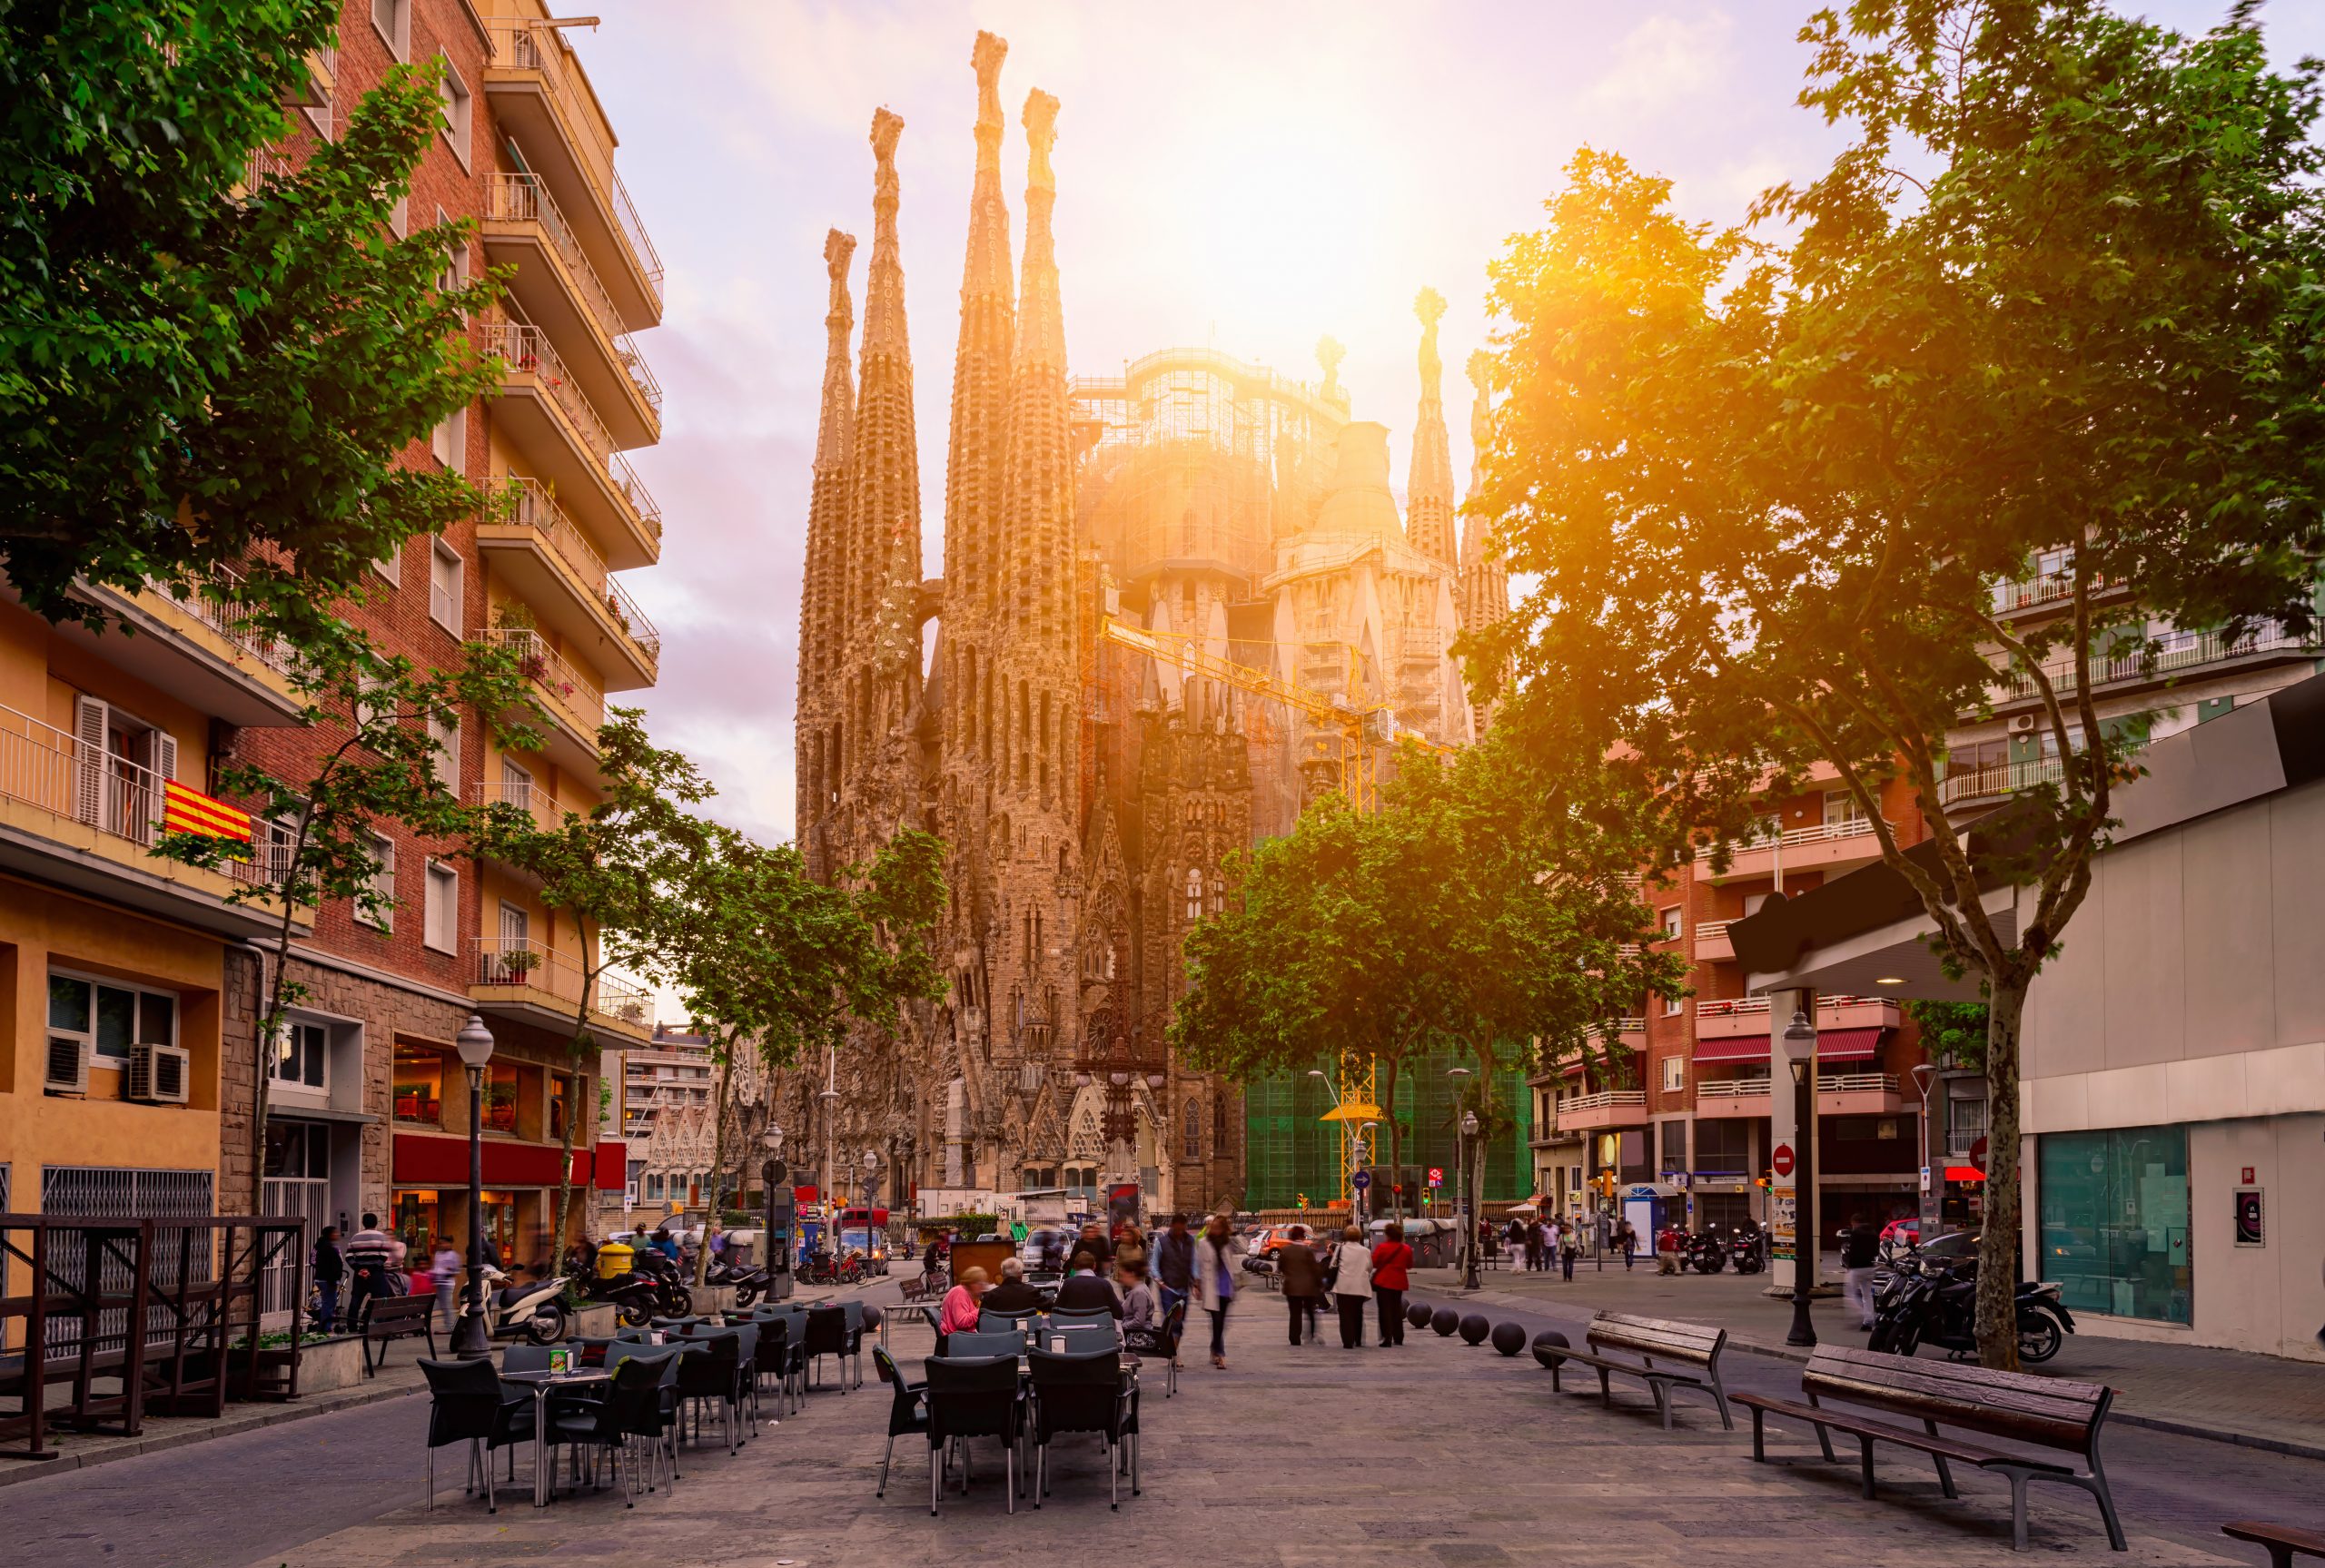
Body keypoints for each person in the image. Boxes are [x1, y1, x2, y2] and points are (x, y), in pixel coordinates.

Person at [1185, 1213, 1243, 1369]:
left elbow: (1244, 1247)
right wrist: (1196, 1284)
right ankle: (1221, 1355)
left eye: (1219, 1228)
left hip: (1226, 1287)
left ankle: (1214, 1348)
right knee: (1216, 1322)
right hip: (1211, 1288)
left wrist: (1233, 1233)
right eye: (1214, 1227)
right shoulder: (1204, 1242)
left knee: (1221, 1324)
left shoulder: (1228, 1242)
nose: (1216, 1230)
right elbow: (1197, 1264)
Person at [343, 1212, 394, 1330]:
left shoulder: (355, 1237)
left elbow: (349, 1257)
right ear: (376, 1223)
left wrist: (360, 1269)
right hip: (376, 1274)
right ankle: (379, 1326)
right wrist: (371, 1270)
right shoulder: (382, 1237)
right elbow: (383, 1257)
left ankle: (352, 1326)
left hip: (359, 1275)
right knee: (380, 1299)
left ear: (363, 1223)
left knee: (356, 1299)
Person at [1275, 1223, 1323, 1346]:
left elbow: (1280, 1267)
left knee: (1295, 1313)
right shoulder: (1307, 1251)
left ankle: (1294, 1338)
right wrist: (1319, 1283)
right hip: (1308, 1287)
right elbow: (1314, 1269)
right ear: (1303, 1236)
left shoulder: (1285, 1250)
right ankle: (1312, 1334)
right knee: (1310, 1311)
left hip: (1291, 1286)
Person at [1370, 1221, 1413, 1347]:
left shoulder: (1382, 1247)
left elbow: (1375, 1263)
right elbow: (1409, 1265)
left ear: (1388, 1235)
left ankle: (1387, 1338)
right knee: (1396, 1309)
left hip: (1383, 1282)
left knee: (1384, 1311)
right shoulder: (1406, 1248)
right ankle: (1399, 1337)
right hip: (1399, 1283)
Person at [1329, 1225, 1373, 1349]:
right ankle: (1358, 1339)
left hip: (1343, 1286)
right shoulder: (1366, 1251)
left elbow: (1332, 1265)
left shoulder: (1340, 1249)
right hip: (1360, 1287)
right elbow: (1369, 1267)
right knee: (1358, 1312)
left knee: (1345, 1315)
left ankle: (1347, 1341)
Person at [1053, 1250, 1124, 1317]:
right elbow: (1118, 1312)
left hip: (1073, 1327)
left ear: (1075, 1266)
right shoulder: (1104, 1284)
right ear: (1094, 1266)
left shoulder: (1068, 1283)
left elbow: (1056, 1310)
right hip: (1101, 1327)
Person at [1843, 1211, 1882, 1330]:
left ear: (1855, 1222)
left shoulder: (1856, 1233)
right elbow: (1876, 1251)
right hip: (1869, 1267)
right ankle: (1869, 1320)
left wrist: (1849, 1265)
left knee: (1850, 1293)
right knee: (1867, 1295)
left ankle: (1862, 1314)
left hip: (1856, 1268)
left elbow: (1852, 1251)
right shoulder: (1874, 1233)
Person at [1153, 1213, 1196, 1317]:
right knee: (1170, 1320)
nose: (1180, 1233)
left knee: (1180, 1322)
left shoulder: (1190, 1241)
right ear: (1172, 1226)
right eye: (1178, 1230)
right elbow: (1154, 1264)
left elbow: (1194, 1262)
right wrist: (1159, 1280)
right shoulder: (1162, 1242)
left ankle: (1174, 1334)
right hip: (1168, 1288)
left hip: (1184, 1289)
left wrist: (1196, 1281)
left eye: (1183, 1229)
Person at [938, 1266, 989, 1342]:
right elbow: (961, 1322)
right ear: (972, 1283)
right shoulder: (960, 1292)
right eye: (981, 1284)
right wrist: (981, 1310)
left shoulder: (967, 1293)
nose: (983, 1287)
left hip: (961, 1337)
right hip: (956, 1340)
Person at [311, 1226, 344, 1334]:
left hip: (321, 1278)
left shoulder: (319, 1246)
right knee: (329, 1304)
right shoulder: (328, 1247)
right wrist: (334, 1277)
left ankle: (324, 1325)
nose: (337, 1235)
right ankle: (325, 1327)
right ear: (329, 1234)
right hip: (328, 1280)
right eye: (335, 1233)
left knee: (327, 1303)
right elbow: (333, 1264)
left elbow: (313, 1260)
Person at [431, 1236, 462, 1331]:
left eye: (444, 1243)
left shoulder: (453, 1255)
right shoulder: (438, 1254)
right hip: (438, 1282)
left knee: (447, 1305)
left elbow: (456, 1270)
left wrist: (447, 1271)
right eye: (440, 1243)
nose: (442, 1245)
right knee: (442, 1305)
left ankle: (450, 1326)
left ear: (450, 1243)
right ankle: (448, 1324)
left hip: (447, 1283)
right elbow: (436, 1266)